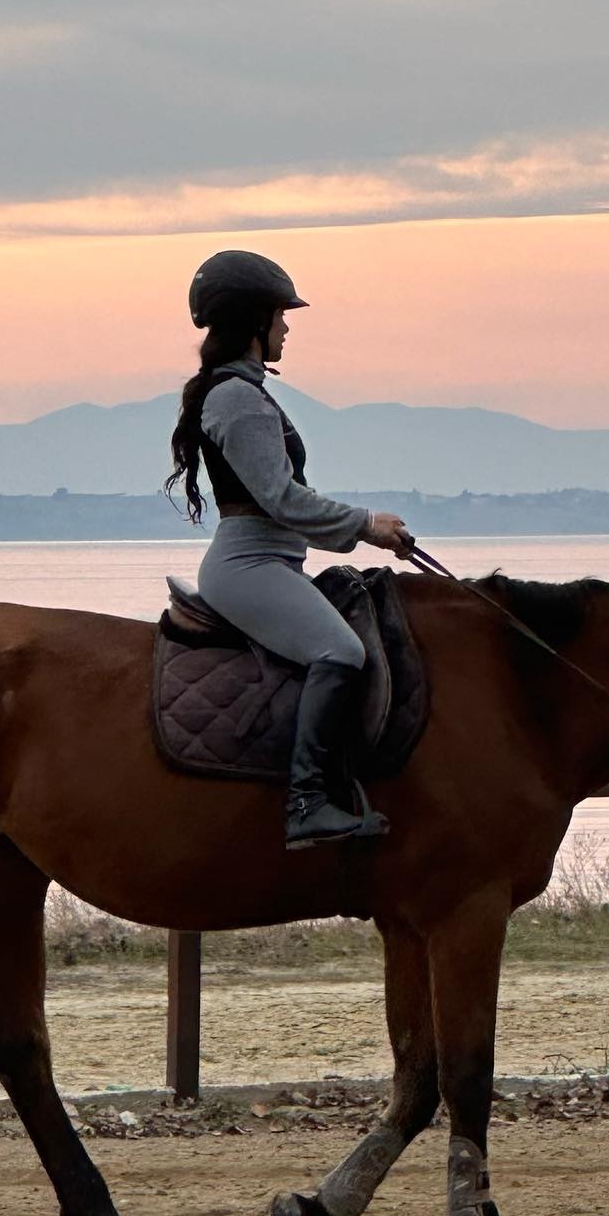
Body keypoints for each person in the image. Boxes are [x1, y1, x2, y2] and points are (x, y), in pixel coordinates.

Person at [166, 250, 411, 849]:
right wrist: (365, 524)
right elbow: (281, 498)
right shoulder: (239, 398)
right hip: (247, 566)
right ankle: (305, 803)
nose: (287, 327)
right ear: (254, 322)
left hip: (272, 561)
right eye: (280, 315)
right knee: (340, 651)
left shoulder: (246, 393)